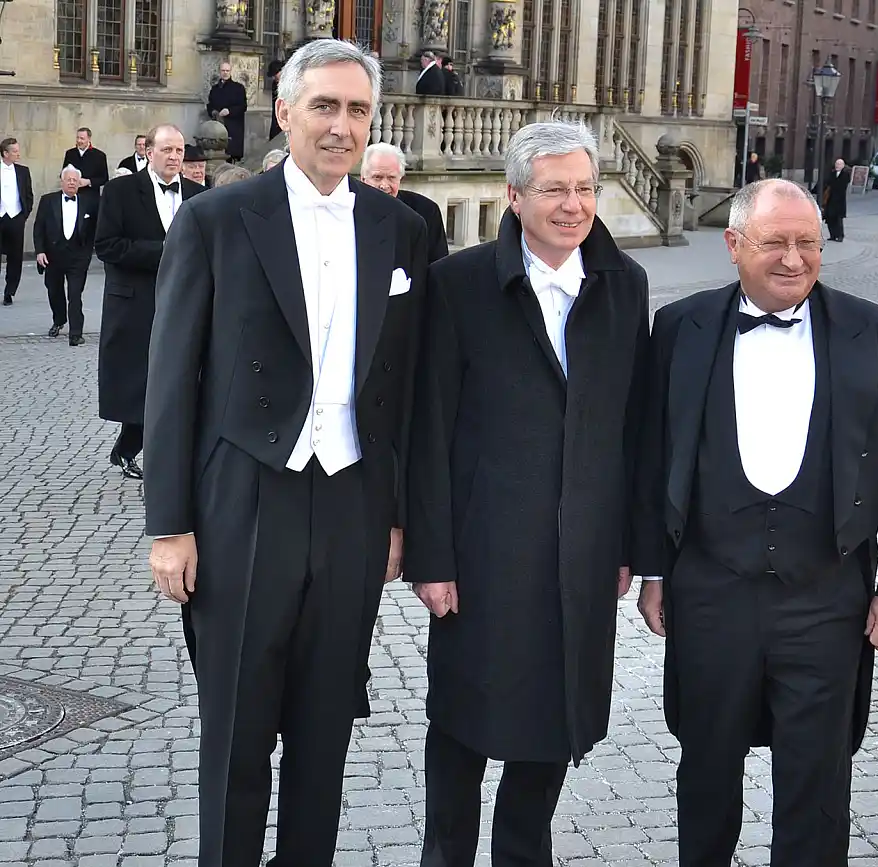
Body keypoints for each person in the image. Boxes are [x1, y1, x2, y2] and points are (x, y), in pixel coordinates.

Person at [142, 39, 428, 867]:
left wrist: (401, 517)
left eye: (358, 110)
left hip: (353, 501)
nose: (341, 126)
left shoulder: (398, 229)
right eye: (325, 107)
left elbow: (403, 388)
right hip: (243, 499)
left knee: (325, 727)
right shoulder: (217, 218)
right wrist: (170, 526)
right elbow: (172, 382)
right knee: (235, 727)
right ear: (285, 111)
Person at [634, 178, 878, 867]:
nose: (794, 259)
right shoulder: (680, 327)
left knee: (817, 776)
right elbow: (654, 455)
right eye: (775, 242)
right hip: (711, 589)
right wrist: (655, 569)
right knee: (706, 767)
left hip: (827, 596)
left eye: (808, 243)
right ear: (734, 245)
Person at [405, 121, 649, 867]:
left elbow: (633, 430)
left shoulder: (623, 284)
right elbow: (428, 428)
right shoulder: (459, 283)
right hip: (482, 555)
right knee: (462, 728)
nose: (573, 205)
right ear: (514, 197)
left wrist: (628, 548)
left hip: (581, 554)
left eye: (584, 188)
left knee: (553, 724)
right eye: (554, 190)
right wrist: (431, 556)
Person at [95, 124, 204, 481]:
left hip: (185, 301)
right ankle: (128, 448)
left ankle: (174, 451)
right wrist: (164, 253)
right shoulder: (119, 191)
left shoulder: (196, 192)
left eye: (179, 151)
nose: (174, 157)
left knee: (180, 377)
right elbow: (107, 245)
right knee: (138, 380)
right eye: (167, 150)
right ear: (149, 152)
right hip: (135, 302)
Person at [33, 166, 96, 346]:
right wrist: (40, 251)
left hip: (78, 257)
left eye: (75, 180)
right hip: (53, 256)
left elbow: (94, 229)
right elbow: (39, 228)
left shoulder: (88, 202)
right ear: (61, 181)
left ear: (79, 183)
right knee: (55, 291)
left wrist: (87, 253)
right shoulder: (48, 201)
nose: (71, 182)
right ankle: (59, 320)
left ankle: (76, 333)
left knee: (75, 295)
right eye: (68, 179)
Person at [360, 142, 448, 263]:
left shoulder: (426, 211)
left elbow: (438, 266)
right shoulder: (348, 210)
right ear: (363, 179)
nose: (384, 185)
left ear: (400, 178)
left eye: (391, 178)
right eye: (377, 177)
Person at [0, 137, 34, 306]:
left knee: (15, 257)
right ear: (5, 153)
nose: (18, 154)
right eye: (14, 151)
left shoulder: (23, 171)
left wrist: (23, 215)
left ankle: (10, 291)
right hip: (0, 216)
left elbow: (28, 194)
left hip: (16, 218)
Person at [62, 127, 109, 227]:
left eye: (82, 138)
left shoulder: (99, 155)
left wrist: (88, 181)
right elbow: (63, 173)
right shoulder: (70, 154)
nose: (79, 141)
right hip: (72, 196)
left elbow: (104, 178)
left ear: (89, 139)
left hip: (90, 198)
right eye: (77, 138)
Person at [207, 61, 248, 162]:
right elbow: (210, 104)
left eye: (227, 71)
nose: (225, 73)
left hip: (233, 126)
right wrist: (213, 112)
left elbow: (243, 106)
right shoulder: (215, 89)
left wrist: (229, 111)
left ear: (230, 72)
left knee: (231, 153)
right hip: (218, 126)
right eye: (223, 70)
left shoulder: (238, 88)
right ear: (220, 72)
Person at [822, 157, 851, 242]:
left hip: (839, 200)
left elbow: (842, 186)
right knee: (830, 218)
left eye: (839, 164)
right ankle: (833, 235)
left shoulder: (845, 175)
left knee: (838, 219)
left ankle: (840, 236)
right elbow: (827, 183)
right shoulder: (832, 173)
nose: (837, 166)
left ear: (843, 165)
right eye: (836, 164)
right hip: (830, 199)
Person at [267, 59, 284, 140]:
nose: (274, 77)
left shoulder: (291, 83)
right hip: (277, 120)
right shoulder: (275, 84)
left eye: (275, 74)